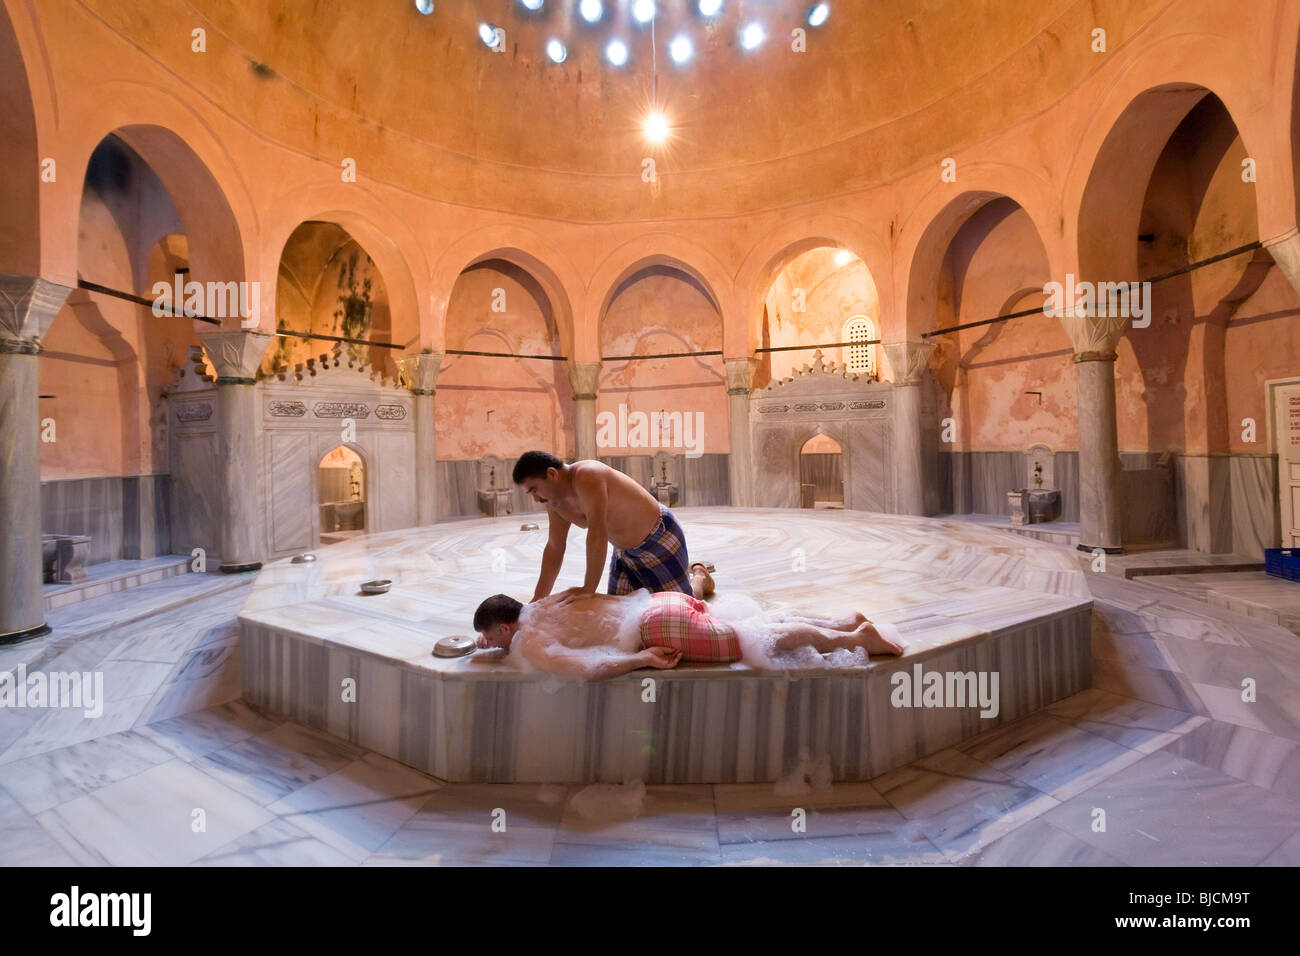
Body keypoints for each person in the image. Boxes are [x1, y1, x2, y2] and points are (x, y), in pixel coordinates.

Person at [471, 589, 905, 682]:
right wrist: (491, 641)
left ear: (508, 627)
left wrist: (641, 660)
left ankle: (856, 639)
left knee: (757, 639)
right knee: (752, 626)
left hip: (656, 629)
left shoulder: (528, 640)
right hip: (658, 604)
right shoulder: (540, 606)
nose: (486, 644)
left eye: (489, 637)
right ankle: (840, 621)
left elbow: (587, 669)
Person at [512, 450, 692, 603]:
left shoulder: (587, 475)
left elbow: (598, 533)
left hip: (658, 536)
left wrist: (588, 588)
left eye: (534, 489)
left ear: (552, 474)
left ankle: (699, 577)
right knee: (626, 617)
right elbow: (555, 547)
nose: (535, 498)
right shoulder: (553, 502)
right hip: (624, 553)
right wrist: (537, 600)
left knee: (679, 606)